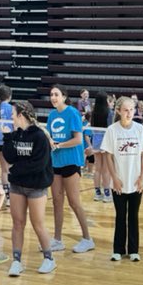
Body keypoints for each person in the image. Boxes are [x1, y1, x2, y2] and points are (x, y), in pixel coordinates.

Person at [4, 101, 55, 276]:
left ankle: (49, 258)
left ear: (21, 115)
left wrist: (15, 170)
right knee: (18, 223)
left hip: (36, 186)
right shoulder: (16, 135)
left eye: (13, 113)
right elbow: (10, 157)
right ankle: (17, 260)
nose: (11, 116)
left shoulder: (40, 136)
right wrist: (7, 138)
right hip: (17, 185)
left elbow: (39, 164)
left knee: (37, 223)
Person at [100, 96, 143, 262]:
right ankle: (118, 250)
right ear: (118, 111)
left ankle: (134, 250)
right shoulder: (112, 130)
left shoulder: (140, 130)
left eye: (132, 110)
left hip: (136, 180)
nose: (129, 113)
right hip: (119, 181)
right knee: (120, 215)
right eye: (126, 110)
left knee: (133, 216)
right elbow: (108, 156)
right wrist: (114, 178)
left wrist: (142, 176)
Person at [46, 84, 94, 254]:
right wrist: (50, 142)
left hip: (71, 161)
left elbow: (78, 139)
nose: (53, 97)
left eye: (56, 94)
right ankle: (57, 240)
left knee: (74, 202)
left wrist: (60, 145)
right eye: (51, 94)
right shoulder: (52, 115)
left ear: (64, 96)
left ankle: (87, 239)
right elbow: (50, 136)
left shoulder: (72, 113)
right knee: (57, 201)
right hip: (55, 162)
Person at [89, 94, 112, 203]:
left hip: (96, 140)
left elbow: (92, 126)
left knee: (97, 168)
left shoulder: (93, 112)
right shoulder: (109, 112)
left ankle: (97, 194)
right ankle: (107, 194)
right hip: (106, 140)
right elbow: (110, 128)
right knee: (106, 169)